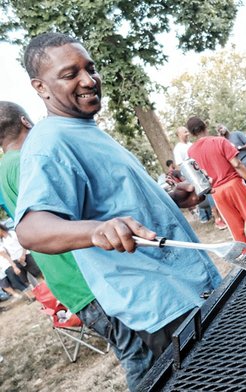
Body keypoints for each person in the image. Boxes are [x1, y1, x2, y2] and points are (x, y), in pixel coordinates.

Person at [15, 32, 222, 385]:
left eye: (90, 68)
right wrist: (94, 231)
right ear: (41, 87)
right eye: (70, 74)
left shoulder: (86, 129)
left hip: (188, 286)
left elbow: (118, 206)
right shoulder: (50, 141)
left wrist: (173, 199)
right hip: (161, 305)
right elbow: (30, 228)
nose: (88, 80)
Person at [0, 99, 153, 390]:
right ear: (25, 121)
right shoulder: (28, 160)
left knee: (135, 352)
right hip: (86, 279)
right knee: (140, 356)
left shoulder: (3, 170)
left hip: (66, 283)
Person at [187, 117, 246, 243]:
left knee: (236, 232)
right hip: (235, 186)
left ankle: (245, 258)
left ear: (191, 133)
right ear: (205, 126)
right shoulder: (219, 141)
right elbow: (237, 164)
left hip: (217, 193)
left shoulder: (191, 151)